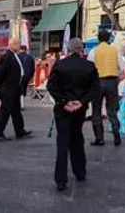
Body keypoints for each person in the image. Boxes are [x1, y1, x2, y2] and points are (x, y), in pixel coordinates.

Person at [47, 38, 99, 192]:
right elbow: (95, 88)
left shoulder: (60, 65)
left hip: (63, 108)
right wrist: (81, 102)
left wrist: (64, 102)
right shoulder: (89, 66)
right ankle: (80, 171)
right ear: (81, 49)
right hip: (79, 108)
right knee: (77, 138)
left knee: (63, 141)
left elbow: (51, 86)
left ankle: (61, 179)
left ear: (68, 50)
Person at [86, 30, 125, 147]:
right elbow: (123, 68)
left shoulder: (94, 51)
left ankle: (99, 138)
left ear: (98, 39)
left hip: (98, 82)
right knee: (112, 110)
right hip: (112, 81)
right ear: (109, 39)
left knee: (96, 110)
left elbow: (89, 68)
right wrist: (116, 76)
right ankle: (116, 133)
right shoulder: (115, 51)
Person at [0, 38, 33, 141]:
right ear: (13, 44)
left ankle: (20, 130)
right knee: (5, 111)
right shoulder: (7, 56)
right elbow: (0, 72)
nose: (19, 46)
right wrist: (1, 86)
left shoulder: (14, 56)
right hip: (8, 89)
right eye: (18, 44)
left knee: (16, 111)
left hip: (15, 88)